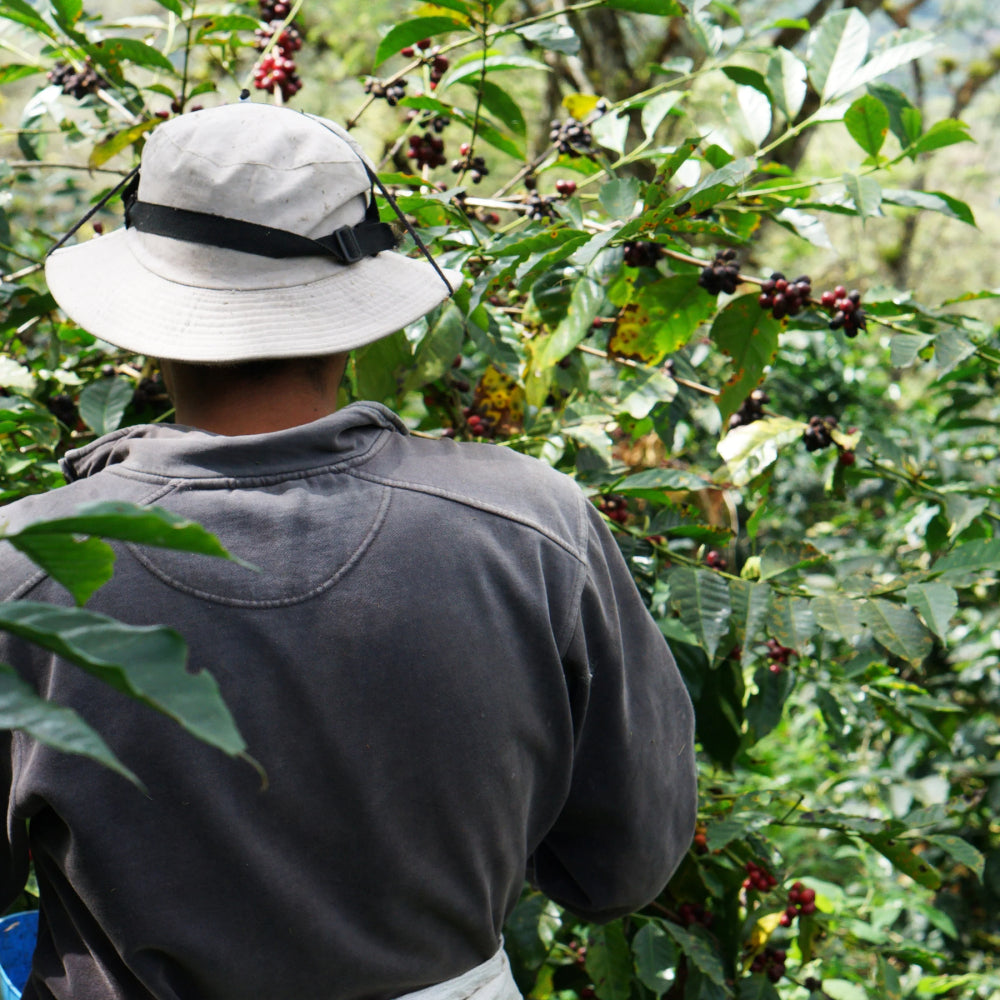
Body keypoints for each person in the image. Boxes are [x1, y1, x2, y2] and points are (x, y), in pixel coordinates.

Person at [0, 102, 697, 1000]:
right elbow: (625, 865)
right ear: (358, 310)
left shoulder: (31, 567)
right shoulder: (531, 527)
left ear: (147, 320)